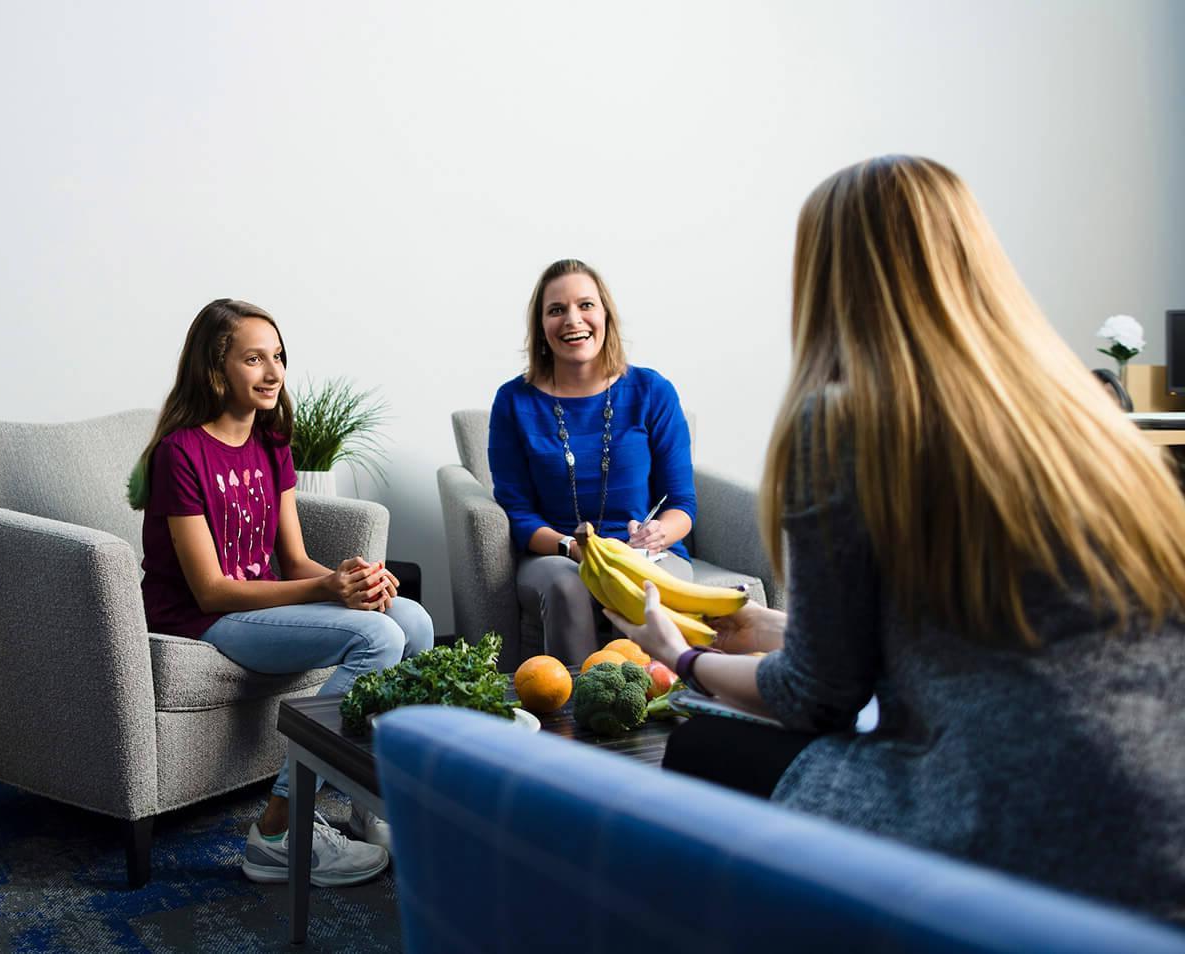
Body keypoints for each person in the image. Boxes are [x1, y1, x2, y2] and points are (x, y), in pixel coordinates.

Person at [608, 156, 1185, 923]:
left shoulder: (845, 425)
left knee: (697, 749)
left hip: (1031, 825)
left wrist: (681, 656)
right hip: (1168, 809)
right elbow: (988, 629)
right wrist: (772, 628)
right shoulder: (1089, 404)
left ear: (827, 279)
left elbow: (819, 700)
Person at [129, 298, 433, 887]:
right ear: (215, 370)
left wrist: (353, 581)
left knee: (413, 621)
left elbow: (292, 559)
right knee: (376, 637)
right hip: (199, 617)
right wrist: (325, 589)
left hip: (256, 603)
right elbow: (211, 589)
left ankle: (362, 803)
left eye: (279, 358)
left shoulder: (272, 446)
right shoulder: (180, 454)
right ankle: (277, 826)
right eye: (253, 359)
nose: (273, 374)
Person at [488, 259, 697, 663]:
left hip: (644, 554)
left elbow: (682, 504)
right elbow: (518, 513)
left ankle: (649, 714)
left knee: (640, 587)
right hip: (557, 555)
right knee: (567, 586)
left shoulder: (652, 390)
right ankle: (573, 713)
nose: (572, 320)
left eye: (585, 305)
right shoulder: (514, 401)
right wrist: (573, 548)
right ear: (541, 327)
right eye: (556, 310)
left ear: (605, 315)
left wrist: (658, 533)